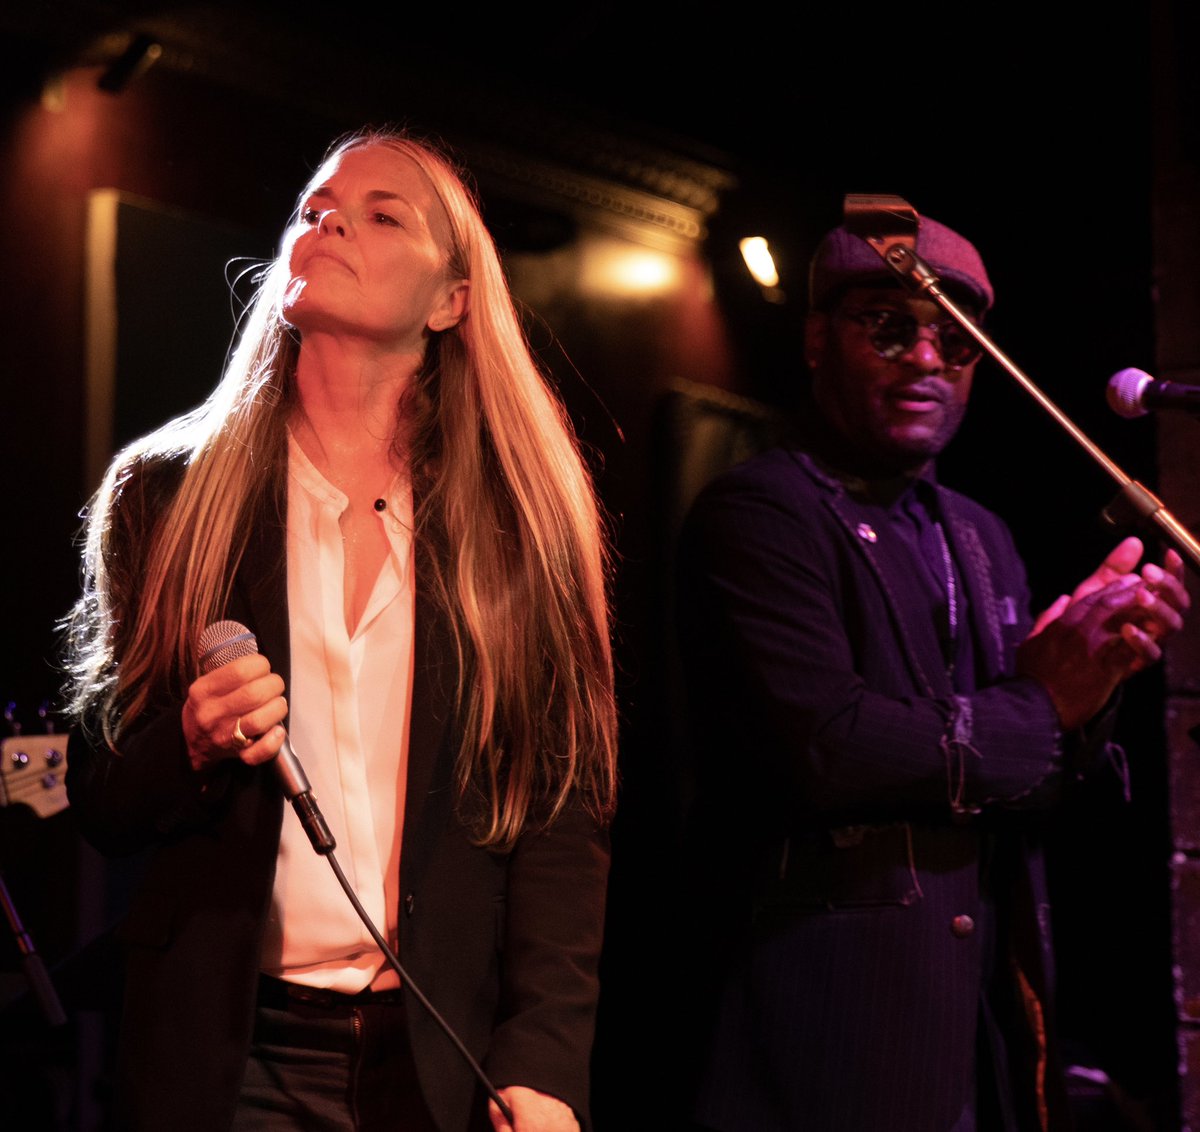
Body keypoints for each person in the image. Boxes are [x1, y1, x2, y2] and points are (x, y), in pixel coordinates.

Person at [63, 127, 617, 1132]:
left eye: (381, 213)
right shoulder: (168, 495)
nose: (327, 223)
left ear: (453, 300)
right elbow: (97, 788)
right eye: (314, 208)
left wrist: (542, 1059)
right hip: (231, 1060)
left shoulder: (515, 524)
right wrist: (189, 741)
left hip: (438, 1059)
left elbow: (561, 817)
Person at [674, 215, 1189, 1131]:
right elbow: (828, 749)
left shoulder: (981, 532)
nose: (924, 356)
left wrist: (1094, 682)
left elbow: (1020, 774)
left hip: (980, 1038)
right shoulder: (761, 513)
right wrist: (1045, 701)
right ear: (815, 339)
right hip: (823, 1050)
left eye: (956, 339)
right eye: (887, 325)